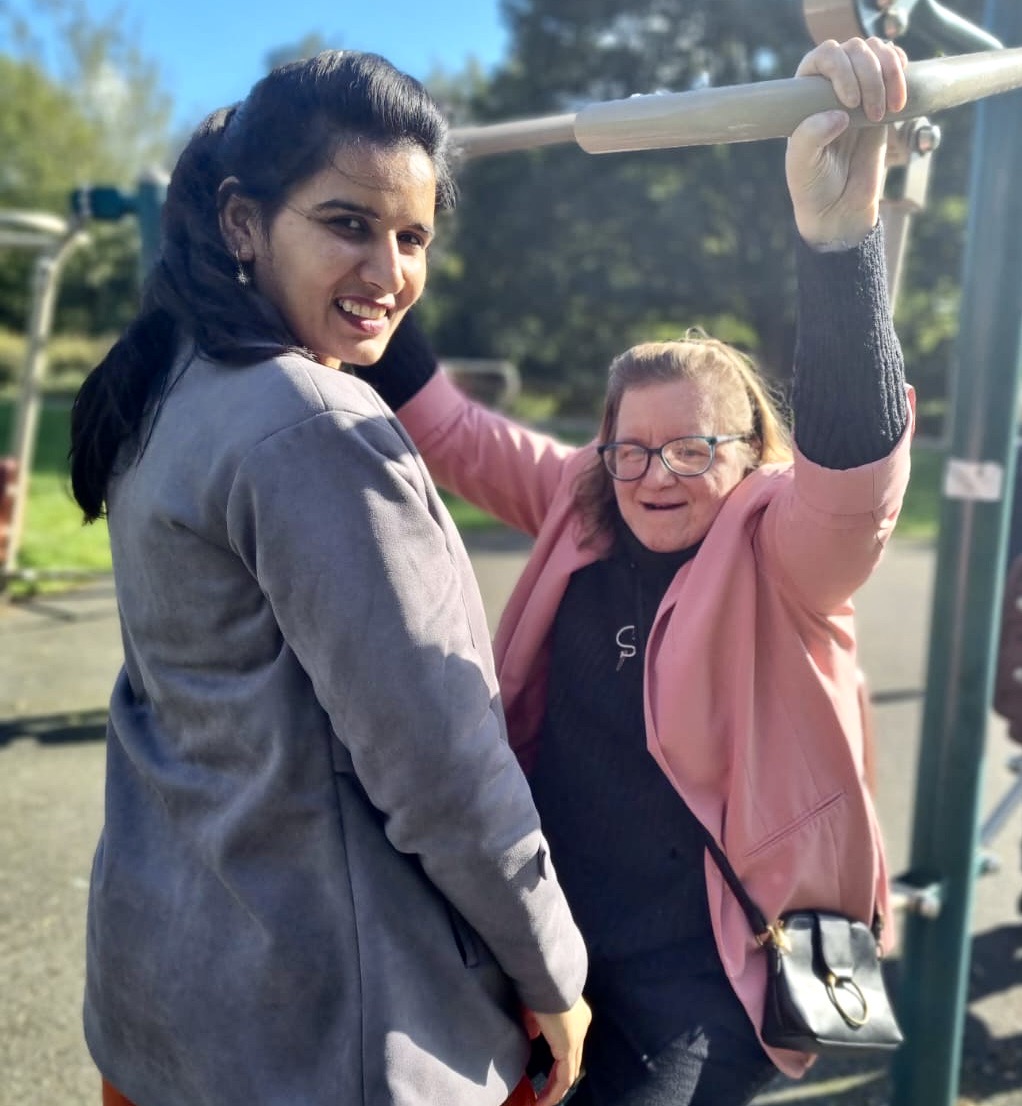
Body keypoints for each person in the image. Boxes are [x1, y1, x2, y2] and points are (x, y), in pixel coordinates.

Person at [357, 36, 914, 1106]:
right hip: (549, 937)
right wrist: (367, 275)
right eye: (632, 447)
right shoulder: (586, 501)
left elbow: (854, 486)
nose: (656, 474)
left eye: (693, 447)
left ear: (752, 456)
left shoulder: (779, 553)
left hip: (700, 967)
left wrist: (837, 245)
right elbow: (451, 428)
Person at [68, 50, 590, 1106]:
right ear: (241, 224)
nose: (389, 271)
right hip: (326, 1024)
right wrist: (552, 970)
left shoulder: (165, 388)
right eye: (347, 223)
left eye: (412, 238)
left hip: (168, 995)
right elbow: (438, 762)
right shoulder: (313, 421)